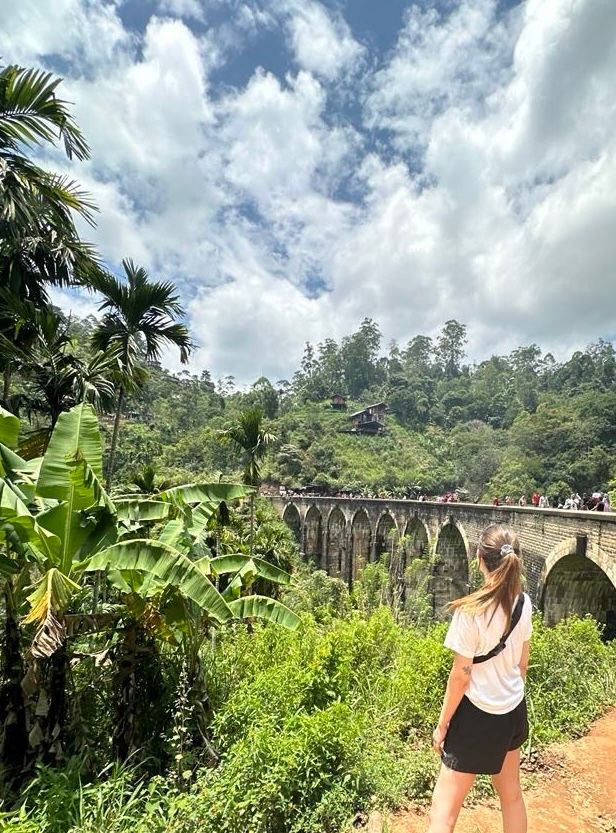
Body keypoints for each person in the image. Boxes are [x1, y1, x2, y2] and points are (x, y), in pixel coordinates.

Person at [427, 524, 532, 833]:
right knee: (511, 796)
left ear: (479, 559)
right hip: (512, 710)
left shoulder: (470, 611)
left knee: (443, 808)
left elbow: (461, 675)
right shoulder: (524, 605)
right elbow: (522, 665)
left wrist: (443, 724)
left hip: (475, 715)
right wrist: (507, 694)